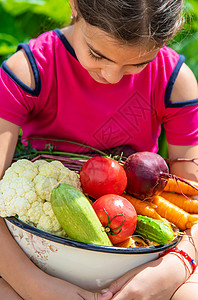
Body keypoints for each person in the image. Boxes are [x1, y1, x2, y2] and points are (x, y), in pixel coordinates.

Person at [0, 0, 197, 299]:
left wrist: (176, 267)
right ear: (75, 6)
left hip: (137, 260)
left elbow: (192, 198)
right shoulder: (29, 70)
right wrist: (33, 285)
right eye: (97, 54)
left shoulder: (174, 81)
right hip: (33, 257)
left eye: (137, 63)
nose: (112, 76)